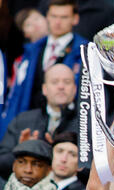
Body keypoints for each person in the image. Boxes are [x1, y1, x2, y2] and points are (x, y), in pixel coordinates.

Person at [0, 0, 87, 136]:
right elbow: (17, 95)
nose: (58, 22)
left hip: (67, 129)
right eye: (53, 16)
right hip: (30, 125)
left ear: (75, 19)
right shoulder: (31, 51)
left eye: (64, 17)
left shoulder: (84, 52)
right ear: (46, 17)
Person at [0, 64, 78, 179]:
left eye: (66, 82)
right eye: (55, 82)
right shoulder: (23, 120)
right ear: (44, 89)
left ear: (75, 89)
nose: (61, 86)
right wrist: (22, 150)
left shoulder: (87, 124)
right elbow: (1, 163)